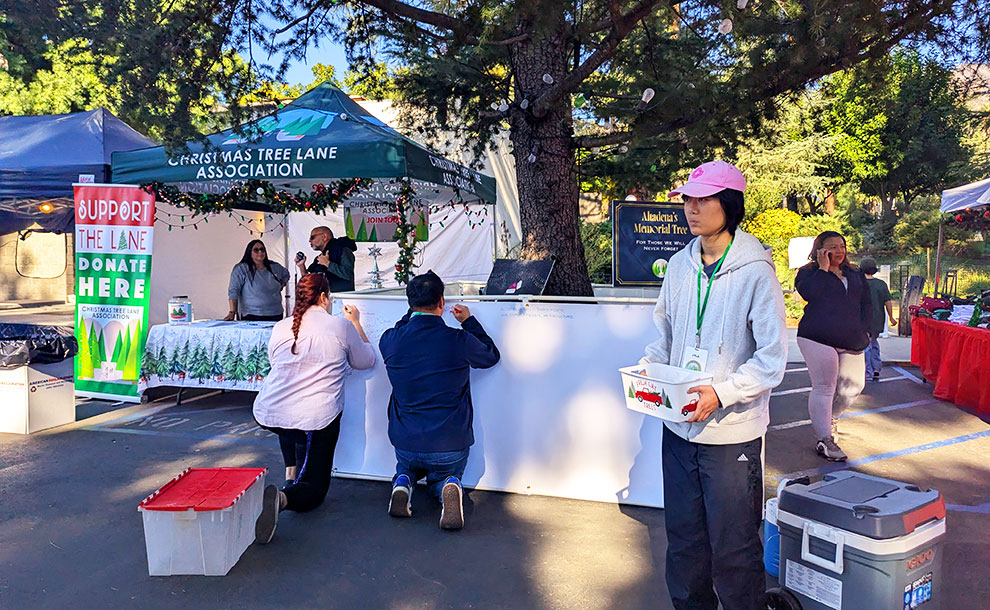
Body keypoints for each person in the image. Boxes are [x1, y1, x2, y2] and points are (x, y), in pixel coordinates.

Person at [642, 160, 788, 610]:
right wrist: (651, 366)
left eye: (703, 198)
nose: (692, 207)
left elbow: (771, 359)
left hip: (731, 434)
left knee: (735, 548)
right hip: (678, 426)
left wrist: (722, 394)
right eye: (688, 198)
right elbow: (664, 332)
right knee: (684, 542)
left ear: (729, 203)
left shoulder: (755, 270)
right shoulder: (680, 266)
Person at [252, 273, 375, 544]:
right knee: (315, 489)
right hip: (317, 418)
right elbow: (366, 360)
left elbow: (276, 362)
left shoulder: (281, 327)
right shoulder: (340, 326)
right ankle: (284, 499)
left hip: (269, 411)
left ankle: (291, 472)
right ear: (323, 297)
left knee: (294, 425)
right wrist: (355, 323)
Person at [379, 271, 500, 530]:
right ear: (442, 302)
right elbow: (490, 356)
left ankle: (402, 482)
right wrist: (469, 322)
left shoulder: (390, 340)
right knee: (446, 474)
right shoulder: (458, 340)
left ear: (409, 304)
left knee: (406, 467)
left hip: (405, 440)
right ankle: (448, 485)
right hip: (450, 442)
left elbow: (403, 326)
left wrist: (412, 314)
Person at [794, 231, 872, 462]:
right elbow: (811, 294)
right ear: (820, 250)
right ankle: (824, 439)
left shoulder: (854, 273)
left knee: (853, 387)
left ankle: (832, 418)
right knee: (824, 387)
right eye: (832, 247)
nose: (839, 251)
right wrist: (823, 269)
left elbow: (866, 303)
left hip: (851, 337)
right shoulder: (808, 274)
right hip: (817, 336)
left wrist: (868, 329)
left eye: (842, 246)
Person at [225, 239, 289, 321]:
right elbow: (233, 291)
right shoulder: (241, 268)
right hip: (250, 314)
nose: (260, 252)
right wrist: (232, 312)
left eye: (262, 249)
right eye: (256, 250)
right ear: (249, 252)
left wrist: (282, 284)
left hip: (275, 313)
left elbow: (286, 274)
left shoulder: (274, 267)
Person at [860, 257, 897, 382]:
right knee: (874, 342)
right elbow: (888, 302)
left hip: (863, 318)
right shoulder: (881, 284)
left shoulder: (859, 283)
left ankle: (868, 372)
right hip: (878, 318)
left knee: (866, 345)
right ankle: (876, 368)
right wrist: (891, 317)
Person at [297, 226, 357, 293]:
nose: (309, 241)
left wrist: (328, 264)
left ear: (325, 237)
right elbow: (308, 283)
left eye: (312, 237)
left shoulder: (343, 250)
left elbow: (348, 275)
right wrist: (301, 266)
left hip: (340, 299)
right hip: (323, 299)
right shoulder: (320, 257)